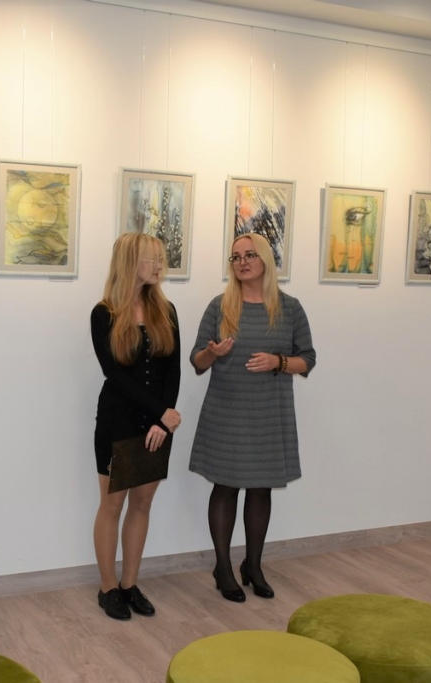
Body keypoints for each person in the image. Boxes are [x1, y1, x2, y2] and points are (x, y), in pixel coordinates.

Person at [189, 233, 316, 601]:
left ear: (265, 259)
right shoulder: (220, 306)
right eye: (235, 257)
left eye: (249, 255)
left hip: (268, 413)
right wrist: (213, 353)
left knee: (261, 487)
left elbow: (307, 359)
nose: (242, 262)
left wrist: (278, 361)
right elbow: (197, 361)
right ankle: (223, 567)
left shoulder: (289, 308)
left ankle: (253, 565)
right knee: (226, 486)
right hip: (227, 411)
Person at [90, 233, 182, 620]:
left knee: (142, 505)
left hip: (156, 427)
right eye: (151, 259)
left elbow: (173, 370)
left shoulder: (167, 310)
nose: (159, 266)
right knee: (112, 505)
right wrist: (164, 413)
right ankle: (108, 587)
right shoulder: (104, 313)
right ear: (130, 262)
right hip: (118, 423)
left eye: (161, 259)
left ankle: (130, 584)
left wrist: (163, 418)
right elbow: (115, 375)